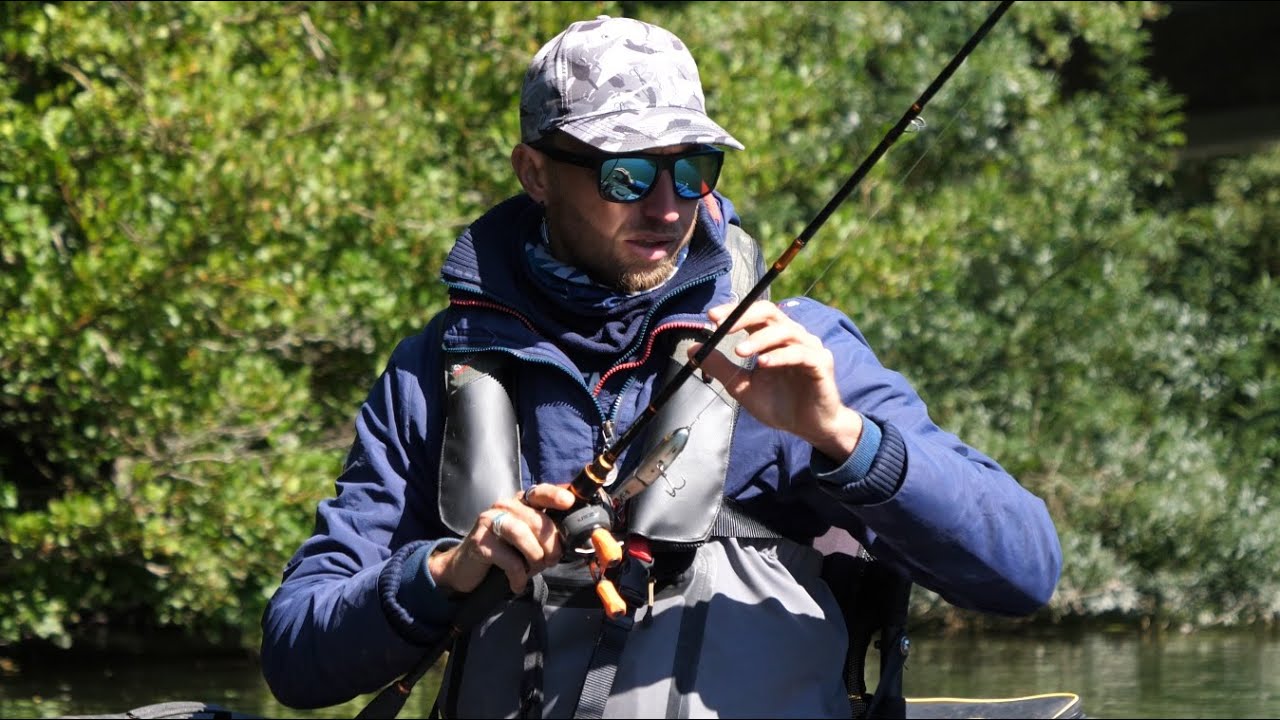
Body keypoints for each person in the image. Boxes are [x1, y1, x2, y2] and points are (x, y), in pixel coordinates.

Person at [260, 14, 1062, 718]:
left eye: (693, 168)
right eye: (628, 173)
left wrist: (844, 438)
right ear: (534, 173)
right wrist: (444, 570)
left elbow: (1025, 572)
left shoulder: (794, 350)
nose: (669, 206)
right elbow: (296, 656)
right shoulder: (432, 372)